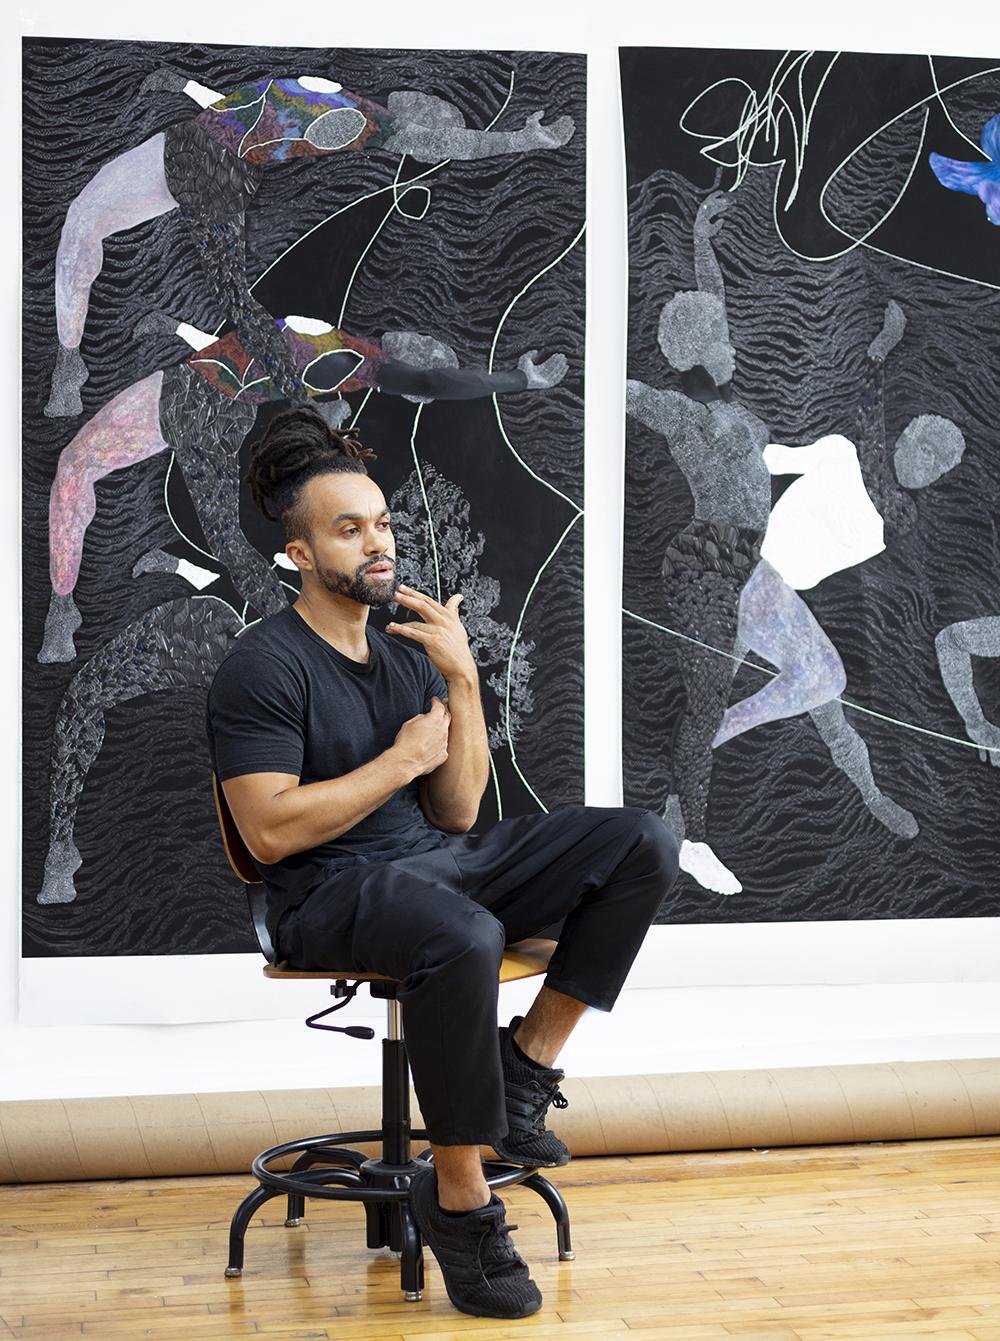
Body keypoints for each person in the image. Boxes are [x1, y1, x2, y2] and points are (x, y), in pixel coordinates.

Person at [204, 404, 679, 1319]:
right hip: (323, 895)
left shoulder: (408, 654)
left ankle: (525, 1069)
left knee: (641, 843)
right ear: (301, 554)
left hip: (431, 864)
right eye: (349, 530)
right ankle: (459, 1193)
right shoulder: (261, 667)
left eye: (381, 522)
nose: (376, 543)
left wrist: (461, 678)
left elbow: (458, 809)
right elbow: (266, 835)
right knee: (464, 931)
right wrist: (397, 761)